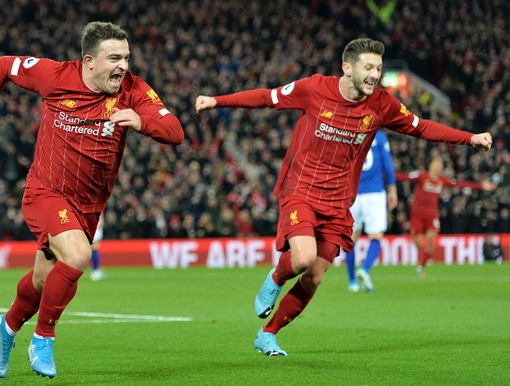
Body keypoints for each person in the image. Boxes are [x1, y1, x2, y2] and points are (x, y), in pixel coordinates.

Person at [195, 38, 492, 357]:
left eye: (378, 68)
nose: (374, 74)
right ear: (347, 68)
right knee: (303, 257)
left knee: (315, 276)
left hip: (338, 203)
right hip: (301, 190)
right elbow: (266, 97)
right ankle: (275, 277)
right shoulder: (314, 88)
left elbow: (421, 127)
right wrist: (217, 101)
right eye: (368, 67)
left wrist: (470, 138)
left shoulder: (381, 104)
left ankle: (268, 334)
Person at [0, 21, 184, 378]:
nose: (124, 66)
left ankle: (6, 329)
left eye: (127, 57)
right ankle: (43, 338)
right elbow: (2, 65)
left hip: (88, 207)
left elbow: (175, 131)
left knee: (44, 280)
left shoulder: (133, 91)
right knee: (79, 255)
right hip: (45, 190)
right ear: (88, 61)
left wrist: (142, 122)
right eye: (114, 58)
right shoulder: (55, 76)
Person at [396, 157, 497, 277]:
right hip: (417, 213)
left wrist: (480, 186)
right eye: (437, 164)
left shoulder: (441, 180)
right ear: (431, 165)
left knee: (431, 242)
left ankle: (420, 268)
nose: (439, 167)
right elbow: (404, 176)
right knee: (418, 243)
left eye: (441, 165)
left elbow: (460, 184)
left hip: (432, 214)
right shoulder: (421, 176)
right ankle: (422, 260)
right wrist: (382, 174)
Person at [345, 129, 397, 293]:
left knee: (350, 239)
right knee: (376, 236)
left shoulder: (349, 134)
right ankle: (365, 269)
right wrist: (392, 189)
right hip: (374, 193)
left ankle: (352, 281)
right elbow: (387, 164)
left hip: (352, 194)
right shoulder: (379, 136)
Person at [89, 213, 106, 281]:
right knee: (94, 248)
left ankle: (96, 270)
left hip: (93, 223)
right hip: (95, 224)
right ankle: (95, 271)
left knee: (94, 248)